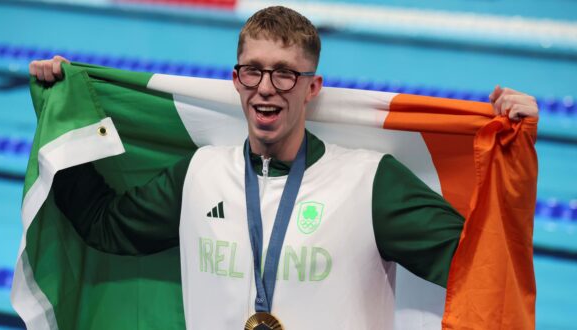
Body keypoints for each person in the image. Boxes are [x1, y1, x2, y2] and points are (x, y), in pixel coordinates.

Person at [28, 6, 538, 329]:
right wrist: (63, 115)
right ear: (236, 80)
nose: (266, 87)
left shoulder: (369, 182)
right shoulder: (200, 173)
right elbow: (105, 227)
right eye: (253, 70)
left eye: (286, 74)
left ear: (312, 88)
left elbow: (482, 263)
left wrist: (512, 162)